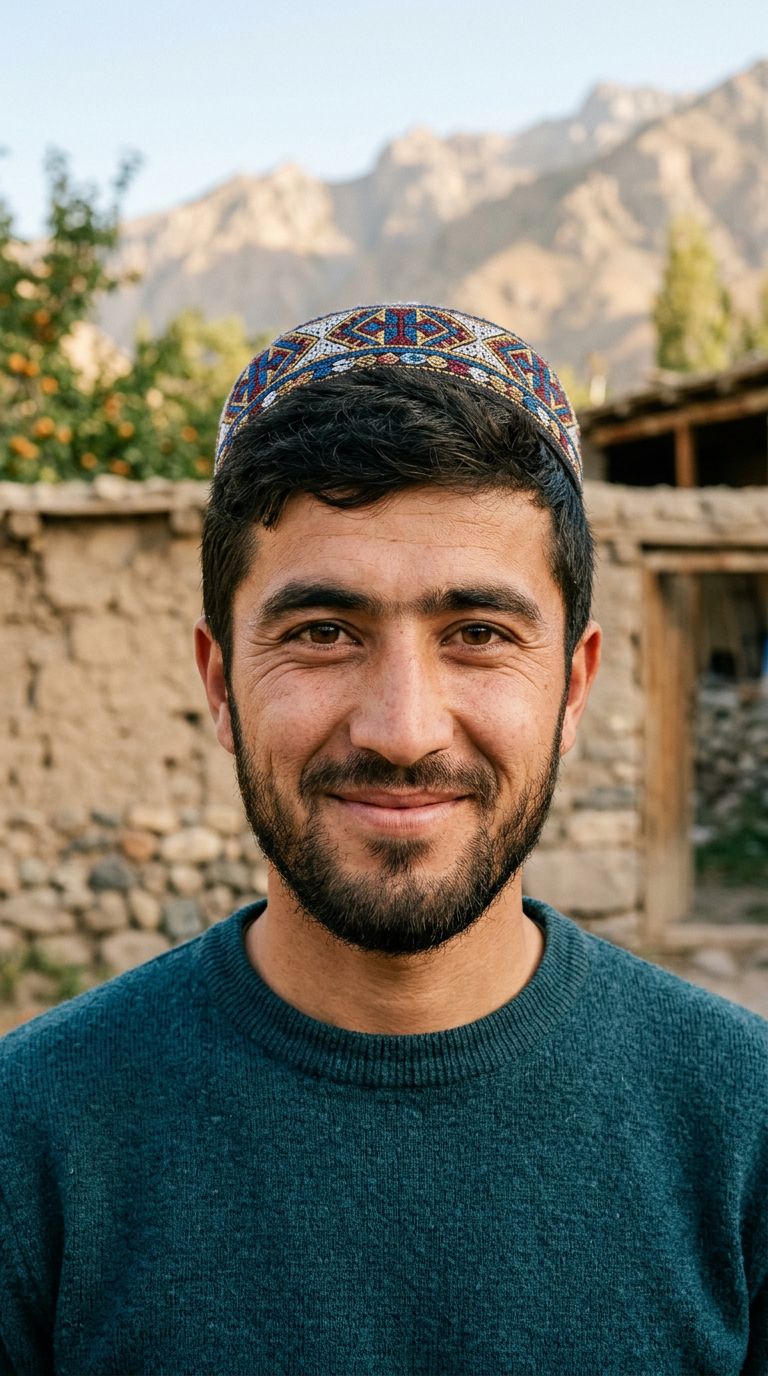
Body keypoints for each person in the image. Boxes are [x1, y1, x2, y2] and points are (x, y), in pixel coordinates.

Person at [0, 304, 765, 1375]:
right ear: (220, 685)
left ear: (573, 685)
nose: (402, 730)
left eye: (478, 635)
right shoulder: (31, 1138)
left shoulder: (743, 1127)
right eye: (323, 633)